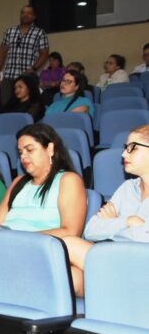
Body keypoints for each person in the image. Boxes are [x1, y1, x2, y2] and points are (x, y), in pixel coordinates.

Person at [61, 125, 149, 296]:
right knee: (72, 276)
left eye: (133, 148)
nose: (123, 154)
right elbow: (91, 230)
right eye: (125, 148)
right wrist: (126, 221)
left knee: (69, 243)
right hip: (119, 263)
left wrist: (113, 223)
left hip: (142, 268)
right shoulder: (127, 188)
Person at [0, 124, 86, 238]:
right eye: (20, 152)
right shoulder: (18, 182)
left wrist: (21, 238)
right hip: (5, 242)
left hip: (39, 247)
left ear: (50, 149)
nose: (23, 156)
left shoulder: (68, 180)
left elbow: (71, 232)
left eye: (29, 150)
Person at [0, 5, 50, 106]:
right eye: (23, 13)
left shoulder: (39, 33)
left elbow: (44, 53)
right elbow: (2, 51)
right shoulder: (10, 31)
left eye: (29, 13)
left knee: (25, 106)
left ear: (34, 16)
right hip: (9, 75)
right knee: (6, 105)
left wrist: (33, 68)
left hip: (27, 76)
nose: (25, 15)